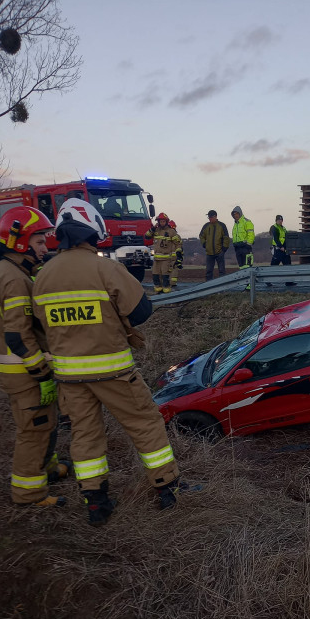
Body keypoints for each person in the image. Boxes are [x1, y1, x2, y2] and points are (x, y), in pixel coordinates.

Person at [32, 199, 182, 526]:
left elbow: (43, 326)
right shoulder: (105, 268)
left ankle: (97, 502)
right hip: (113, 371)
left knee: (85, 435)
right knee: (145, 423)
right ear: (92, 231)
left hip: (70, 377)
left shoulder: (43, 276)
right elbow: (141, 312)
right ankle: (168, 488)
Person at [0, 207, 71, 508]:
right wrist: (41, 372)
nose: (45, 248)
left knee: (45, 422)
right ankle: (28, 492)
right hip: (25, 372)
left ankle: (47, 469)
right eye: (39, 242)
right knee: (33, 429)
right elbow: (18, 335)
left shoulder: (3, 270)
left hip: (15, 370)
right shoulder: (13, 279)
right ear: (20, 242)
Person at [145, 212, 180, 294]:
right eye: (160, 221)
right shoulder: (155, 230)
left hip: (166, 259)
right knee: (155, 276)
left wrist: (178, 252)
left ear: (166, 222)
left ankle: (167, 294)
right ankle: (158, 292)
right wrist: (152, 228)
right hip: (156, 259)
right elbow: (146, 236)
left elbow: (178, 243)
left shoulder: (171, 232)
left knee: (165, 277)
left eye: (163, 221)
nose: (162, 223)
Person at [199, 210, 230, 282]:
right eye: (208, 217)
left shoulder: (222, 225)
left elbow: (226, 237)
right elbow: (201, 236)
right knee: (208, 271)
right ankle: (208, 287)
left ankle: (222, 287)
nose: (209, 218)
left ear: (215, 216)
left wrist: (224, 249)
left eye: (211, 217)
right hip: (209, 253)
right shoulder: (206, 226)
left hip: (220, 252)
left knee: (222, 271)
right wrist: (204, 244)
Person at [268, 215, 296, 287]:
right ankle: (267, 280)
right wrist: (280, 246)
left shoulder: (283, 228)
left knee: (288, 265)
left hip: (284, 250)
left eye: (281, 220)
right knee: (274, 266)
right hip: (278, 250)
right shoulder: (275, 228)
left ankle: (289, 282)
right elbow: (276, 239)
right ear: (276, 220)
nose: (280, 221)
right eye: (279, 220)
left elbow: (286, 237)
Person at [168, 220, 183, 287]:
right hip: (174, 258)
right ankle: (173, 284)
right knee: (174, 271)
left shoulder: (165, 236)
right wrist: (180, 259)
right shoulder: (177, 237)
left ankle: (166, 284)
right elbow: (180, 248)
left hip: (167, 258)